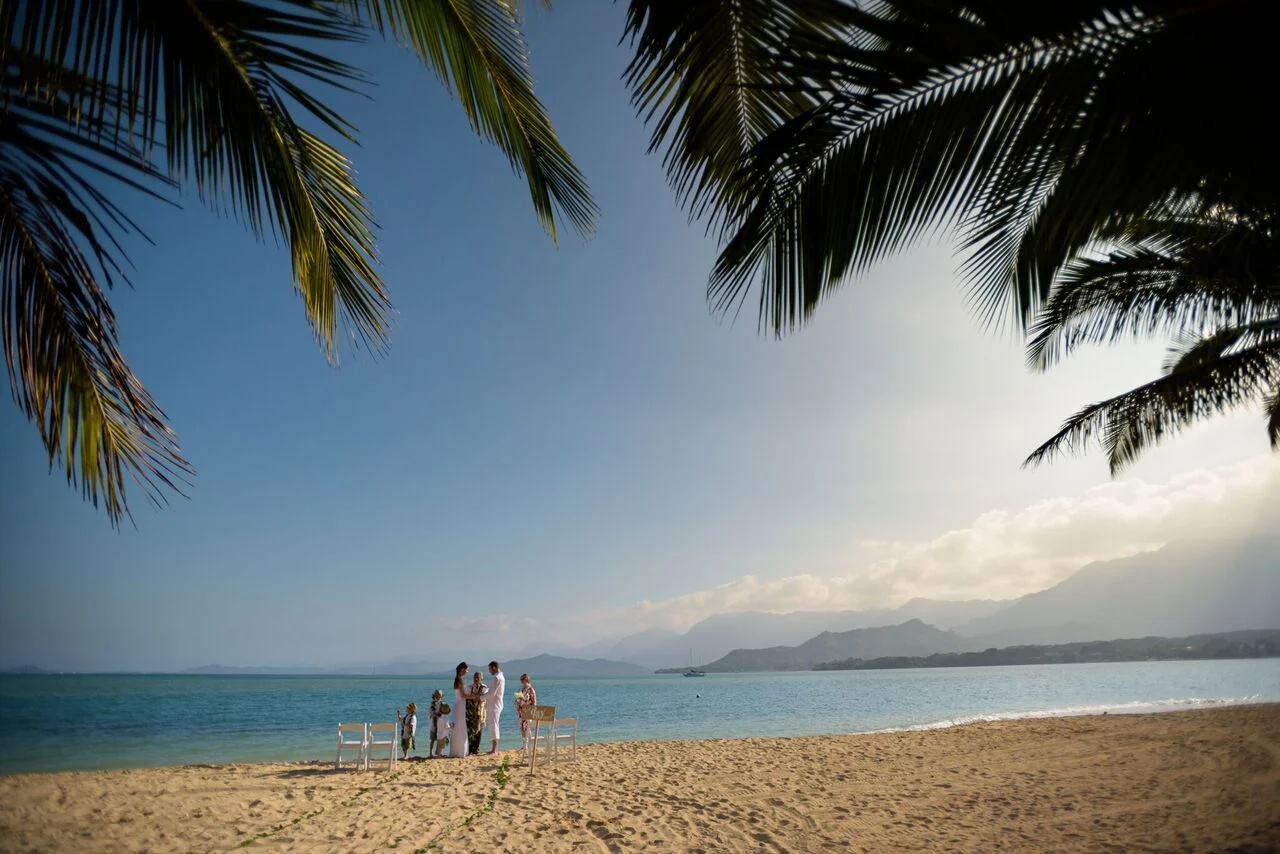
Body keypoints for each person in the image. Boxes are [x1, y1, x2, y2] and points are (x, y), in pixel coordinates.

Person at [450, 662, 473, 758]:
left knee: (459, 728)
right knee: (460, 727)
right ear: (462, 669)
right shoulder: (459, 680)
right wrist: (474, 696)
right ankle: (461, 751)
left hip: (459, 705)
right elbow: (463, 695)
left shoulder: (458, 679)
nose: (467, 672)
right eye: (467, 670)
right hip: (460, 705)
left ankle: (457, 750)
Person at [484, 661, 506, 754]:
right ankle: (494, 749)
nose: (489, 671)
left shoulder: (496, 678)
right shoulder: (500, 677)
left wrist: (480, 697)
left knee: (494, 726)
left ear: (494, 667)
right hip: (496, 705)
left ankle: (494, 749)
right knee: (494, 725)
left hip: (494, 705)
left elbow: (492, 693)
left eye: (489, 669)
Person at [467, 670, 488, 755]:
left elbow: (481, 698)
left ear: (481, 678)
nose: (476, 679)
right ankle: (470, 748)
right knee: (471, 729)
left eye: (478, 677)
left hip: (480, 711)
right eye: (475, 677)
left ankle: (476, 748)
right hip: (471, 711)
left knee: (479, 730)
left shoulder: (484, 688)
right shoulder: (470, 687)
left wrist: (473, 697)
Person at [514, 673, 537, 749]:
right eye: (521, 679)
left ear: (526, 679)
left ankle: (527, 745)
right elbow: (518, 698)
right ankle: (525, 744)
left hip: (528, 710)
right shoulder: (521, 689)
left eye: (522, 679)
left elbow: (534, 701)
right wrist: (517, 701)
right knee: (522, 727)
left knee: (526, 727)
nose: (521, 681)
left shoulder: (530, 689)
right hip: (520, 711)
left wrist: (533, 710)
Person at [427, 689, 444, 753]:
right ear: (434, 697)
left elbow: (445, 713)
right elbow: (428, 716)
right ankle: (430, 753)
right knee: (432, 739)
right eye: (436, 696)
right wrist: (432, 715)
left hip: (440, 724)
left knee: (440, 739)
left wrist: (439, 714)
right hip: (433, 725)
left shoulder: (443, 704)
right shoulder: (431, 705)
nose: (437, 697)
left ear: (441, 697)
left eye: (439, 696)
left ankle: (438, 752)